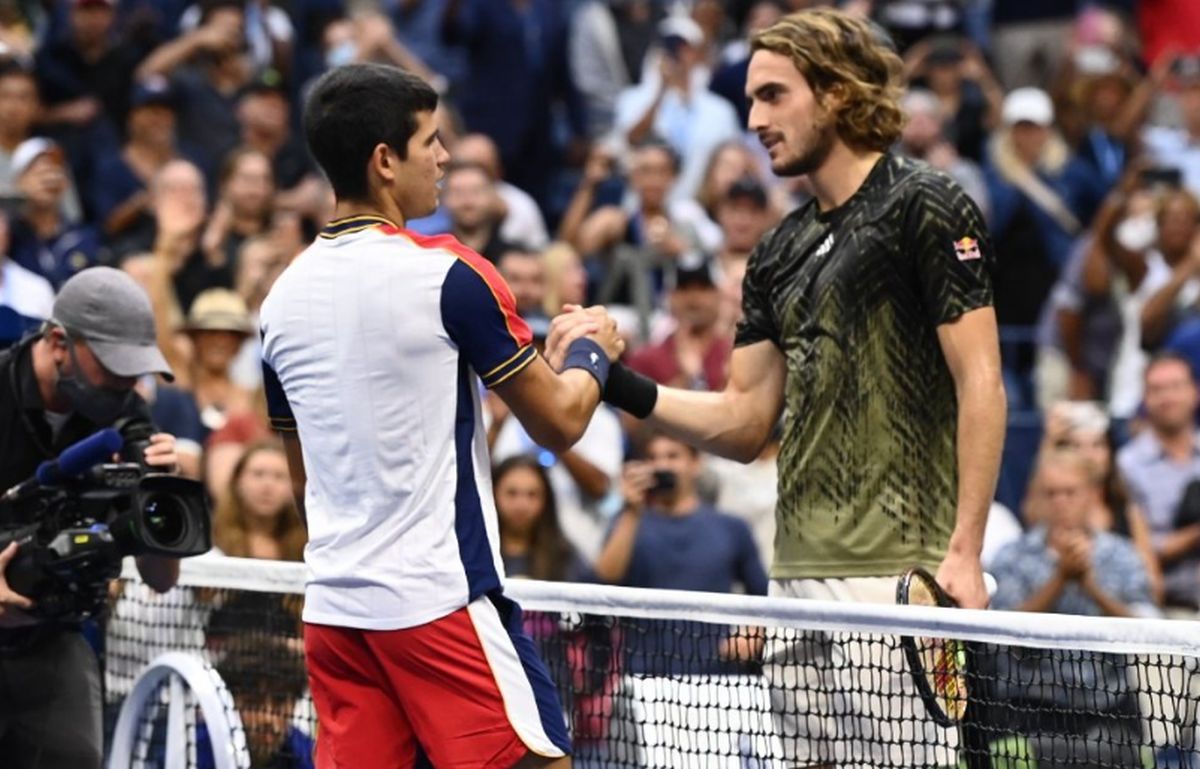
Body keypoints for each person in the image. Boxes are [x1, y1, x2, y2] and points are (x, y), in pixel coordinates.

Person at [550, 10, 1004, 767]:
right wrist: (612, 382)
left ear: (833, 92)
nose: (754, 119)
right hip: (791, 581)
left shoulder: (926, 204)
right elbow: (743, 420)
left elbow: (982, 379)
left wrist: (964, 551)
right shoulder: (777, 251)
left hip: (897, 578)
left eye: (772, 95)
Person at [260, 63, 623, 769]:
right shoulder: (451, 274)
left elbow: (307, 482)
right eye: (431, 140)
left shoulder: (277, 303)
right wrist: (592, 355)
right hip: (436, 605)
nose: (445, 157)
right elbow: (558, 422)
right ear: (385, 161)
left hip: (336, 615)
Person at [0, 266, 181, 769]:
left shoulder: (128, 420)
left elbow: (161, 579)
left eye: (134, 370)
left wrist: (160, 495)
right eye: (112, 366)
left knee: (74, 756)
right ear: (59, 343)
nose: (125, 383)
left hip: (51, 631)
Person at [493, 455, 587, 582]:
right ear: (492, 494)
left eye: (532, 495)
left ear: (546, 500)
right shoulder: (472, 555)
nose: (522, 505)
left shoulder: (564, 557)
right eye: (512, 493)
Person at [211, 440, 305, 562]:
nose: (267, 486)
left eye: (279, 476)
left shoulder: (308, 545)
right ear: (238, 481)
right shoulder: (212, 540)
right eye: (258, 474)